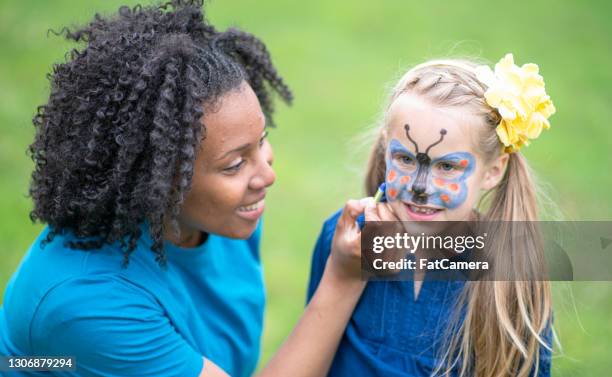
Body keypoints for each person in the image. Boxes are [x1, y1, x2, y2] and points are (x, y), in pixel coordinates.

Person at [0, 1, 394, 376]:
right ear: (156, 180)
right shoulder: (86, 302)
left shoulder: (223, 213)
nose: (266, 175)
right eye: (235, 163)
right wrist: (343, 279)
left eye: (262, 141)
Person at [307, 55, 557, 376]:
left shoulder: (514, 276)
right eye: (405, 159)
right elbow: (310, 357)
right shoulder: (344, 241)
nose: (419, 187)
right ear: (386, 149)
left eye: (447, 166)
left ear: (493, 171)